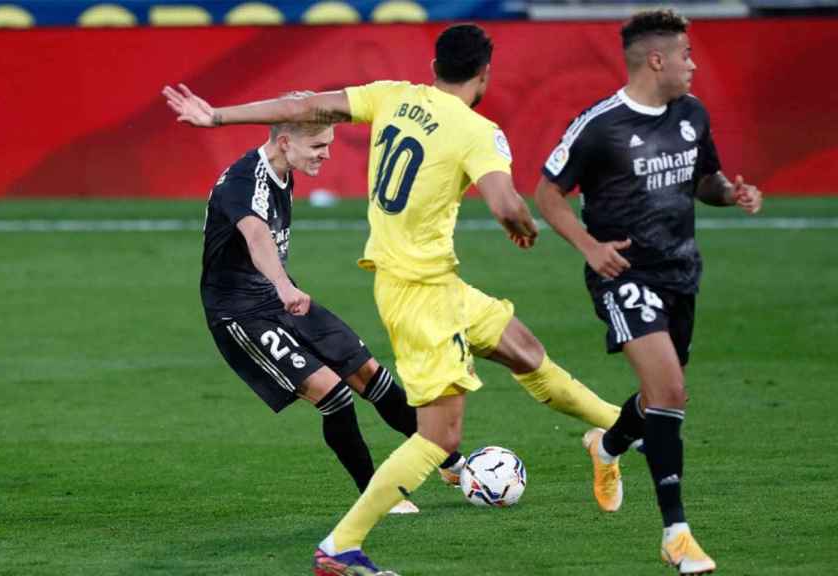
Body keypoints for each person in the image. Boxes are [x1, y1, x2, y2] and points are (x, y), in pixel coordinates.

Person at [166, 23, 622, 575]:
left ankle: (619, 432)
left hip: (432, 284)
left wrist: (217, 115)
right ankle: (343, 542)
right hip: (379, 295)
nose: (324, 153)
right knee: (425, 429)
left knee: (523, 351)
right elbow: (504, 203)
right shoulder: (480, 132)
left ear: (434, 67)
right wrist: (523, 224)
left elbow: (307, 103)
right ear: (484, 75)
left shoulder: (393, 96)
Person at [534, 9, 762, 575]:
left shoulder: (692, 114)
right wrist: (590, 248)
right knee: (670, 388)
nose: (693, 63)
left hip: (681, 271)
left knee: (660, 395)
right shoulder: (600, 125)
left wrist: (731, 194)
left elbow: (703, 180)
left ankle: (607, 446)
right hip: (622, 273)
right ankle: (676, 534)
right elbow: (548, 193)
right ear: (656, 59)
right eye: (686, 54)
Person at [199, 109, 468, 515]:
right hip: (240, 313)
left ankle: (454, 464)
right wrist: (283, 284)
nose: (326, 154)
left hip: (277, 297)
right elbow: (256, 235)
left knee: (370, 374)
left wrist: (282, 288)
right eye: (318, 145)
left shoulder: (280, 169)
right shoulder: (244, 181)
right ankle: (376, 496)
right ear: (286, 141)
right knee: (335, 395)